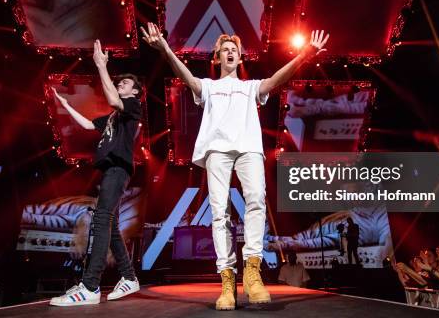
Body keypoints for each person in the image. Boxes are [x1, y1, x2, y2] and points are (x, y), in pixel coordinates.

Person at [142, 22, 329, 310]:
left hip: (249, 149)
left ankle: (252, 272)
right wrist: (165, 48)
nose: (230, 53)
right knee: (219, 213)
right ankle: (227, 280)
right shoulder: (209, 87)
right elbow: (187, 77)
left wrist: (305, 55)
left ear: (240, 58)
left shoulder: (250, 87)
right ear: (216, 58)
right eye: (224, 50)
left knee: (256, 201)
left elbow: (276, 79)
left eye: (234, 50)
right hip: (217, 150)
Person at [50, 40, 142, 307]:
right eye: (120, 82)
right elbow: (89, 124)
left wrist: (101, 65)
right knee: (109, 223)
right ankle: (129, 276)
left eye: (125, 83)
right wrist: (65, 105)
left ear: (134, 91)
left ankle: (90, 286)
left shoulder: (133, 106)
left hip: (118, 169)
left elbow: (114, 98)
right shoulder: (112, 117)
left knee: (101, 220)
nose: (120, 85)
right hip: (110, 170)